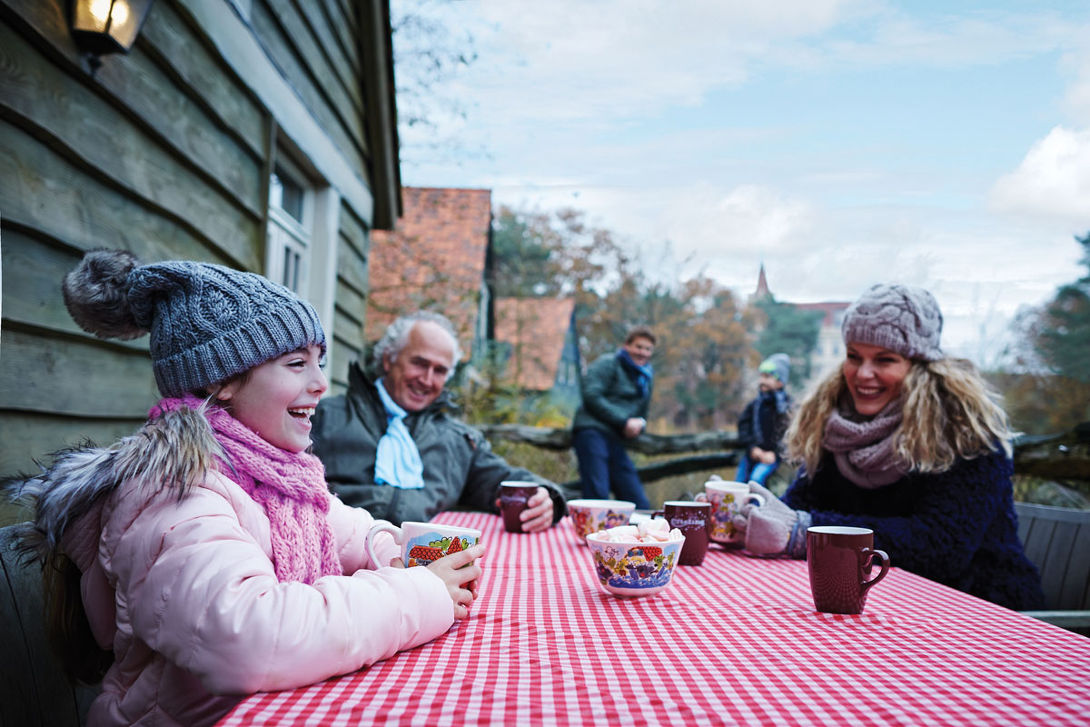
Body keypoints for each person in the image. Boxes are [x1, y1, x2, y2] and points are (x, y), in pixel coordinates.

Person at [5, 249, 485, 726]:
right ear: (226, 380)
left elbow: (345, 531)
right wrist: (418, 592)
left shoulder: (270, 472)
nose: (320, 384)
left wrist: (400, 553)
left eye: (320, 362)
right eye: (297, 364)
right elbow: (250, 637)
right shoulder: (173, 491)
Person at [732, 283, 1044, 611]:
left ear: (920, 366)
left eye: (884, 360)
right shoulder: (834, 428)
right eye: (854, 356)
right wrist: (749, 518)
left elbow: (940, 548)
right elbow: (796, 507)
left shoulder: (966, 435)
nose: (864, 373)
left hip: (983, 613)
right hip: (877, 609)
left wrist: (804, 531)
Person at [311, 311, 566, 530]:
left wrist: (546, 497)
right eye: (419, 363)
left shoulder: (459, 441)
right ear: (388, 359)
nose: (427, 379)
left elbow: (504, 479)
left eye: (440, 370)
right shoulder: (319, 417)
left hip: (425, 571)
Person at [571, 326, 657, 509]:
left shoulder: (646, 378)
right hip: (592, 431)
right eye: (638, 347)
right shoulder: (608, 363)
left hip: (616, 438)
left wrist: (640, 424)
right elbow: (591, 395)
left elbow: (642, 413)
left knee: (637, 499)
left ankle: (638, 536)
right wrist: (624, 421)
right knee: (597, 494)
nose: (642, 352)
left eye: (647, 349)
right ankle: (591, 536)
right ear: (627, 346)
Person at [736, 353, 793, 486]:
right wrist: (752, 448)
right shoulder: (755, 405)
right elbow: (743, 427)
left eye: (768, 377)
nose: (762, 380)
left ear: (780, 382)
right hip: (753, 453)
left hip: (773, 456)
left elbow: (788, 434)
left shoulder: (786, 407)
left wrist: (776, 454)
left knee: (756, 479)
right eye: (761, 376)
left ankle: (755, 507)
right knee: (739, 481)